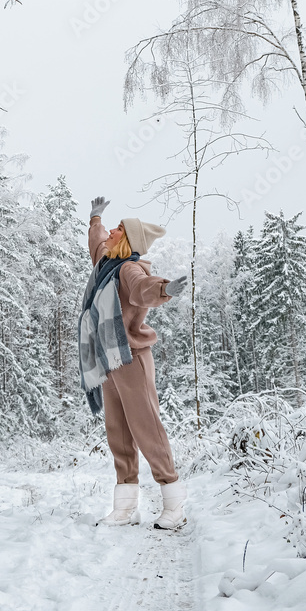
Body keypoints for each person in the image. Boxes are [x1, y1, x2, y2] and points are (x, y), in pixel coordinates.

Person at [81, 195, 188, 530]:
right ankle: (126, 508)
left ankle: (174, 501)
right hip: (110, 359)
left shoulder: (129, 268)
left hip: (132, 358)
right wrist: (95, 219)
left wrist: (165, 289)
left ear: (127, 241)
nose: (112, 231)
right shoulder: (106, 265)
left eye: (117, 229)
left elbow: (143, 290)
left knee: (146, 429)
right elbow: (98, 244)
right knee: (119, 433)